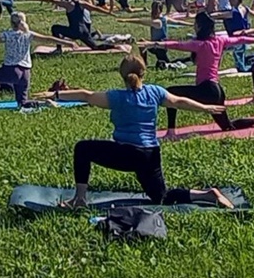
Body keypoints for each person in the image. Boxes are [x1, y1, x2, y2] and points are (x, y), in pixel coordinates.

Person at [49, 55, 233, 209]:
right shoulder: (155, 91)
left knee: (82, 149)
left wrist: (56, 95)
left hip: (128, 154)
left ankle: (79, 199)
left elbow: (85, 95)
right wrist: (205, 108)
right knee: (161, 197)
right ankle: (208, 195)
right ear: (143, 73)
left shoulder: (117, 97)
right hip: (150, 154)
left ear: (122, 75)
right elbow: (178, 102)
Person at [142, 12, 254, 140]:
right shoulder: (219, 41)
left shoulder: (200, 44)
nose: (194, 26)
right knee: (228, 126)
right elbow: (240, 40)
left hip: (207, 90)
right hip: (217, 91)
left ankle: (171, 133)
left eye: (195, 24)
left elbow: (177, 45)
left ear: (200, 26)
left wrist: (152, 44)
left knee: (171, 93)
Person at [0, 13, 76, 108]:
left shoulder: (7, 35)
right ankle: (44, 103)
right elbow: (47, 39)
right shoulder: (28, 34)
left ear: (11, 23)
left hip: (11, 70)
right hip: (25, 73)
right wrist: (67, 43)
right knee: (22, 103)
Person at [39, 0, 115, 51]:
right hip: (85, 31)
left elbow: (52, 0)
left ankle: (59, 49)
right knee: (95, 47)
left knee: (55, 28)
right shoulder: (82, 3)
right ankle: (114, 46)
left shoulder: (68, 4)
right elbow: (96, 8)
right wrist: (108, 12)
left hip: (74, 32)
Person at [123, 2, 191, 68]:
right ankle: (144, 63)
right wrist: (190, 24)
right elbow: (178, 22)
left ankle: (188, 60)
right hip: (156, 45)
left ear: (160, 11)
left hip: (159, 47)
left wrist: (125, 20)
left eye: (156, 11)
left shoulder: (157, 22)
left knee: (168, 63)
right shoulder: (165, 18)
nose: (154, 13)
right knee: (142, 42)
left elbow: (140, 21)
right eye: (154, 10)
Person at [211, 0, 252, 73]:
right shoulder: (244, 8)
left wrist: (207, 15)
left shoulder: (233, 12)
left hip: (236, 41)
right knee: (240, 63)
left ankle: (214, 69)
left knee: (219, 46)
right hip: (243, 40)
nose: (229, 1)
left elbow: (219, 15)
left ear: (236, 0)